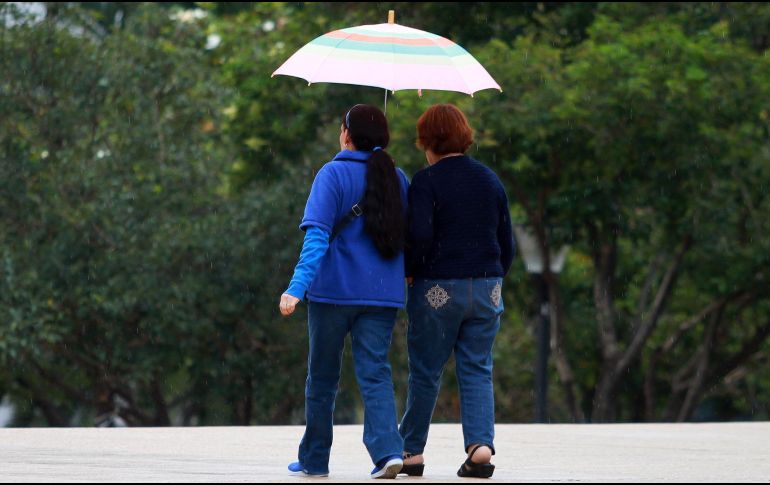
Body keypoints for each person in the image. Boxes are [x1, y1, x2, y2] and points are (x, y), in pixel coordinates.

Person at [278, 104, 410, 480]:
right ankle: (387, 452)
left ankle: (315, 460)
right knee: (375, 373)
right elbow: (409, 238)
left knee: (322, 377)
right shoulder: (398, 177)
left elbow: (317, 237)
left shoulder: (332, 174)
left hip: (333, 294)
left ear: (347, 135)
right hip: (382, 294)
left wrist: (296, 288)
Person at [398, 104, 514, 479]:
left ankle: (411, 451)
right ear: (464, 136)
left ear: (427, 141)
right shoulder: (490, 179)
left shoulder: (426, 181)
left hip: (437, 289)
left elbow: (419, 236)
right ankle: (480, 446)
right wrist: (492, 279)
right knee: (478, 369)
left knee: (426, 370)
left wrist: (410, 271)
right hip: (487, 286)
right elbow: (505, 241)